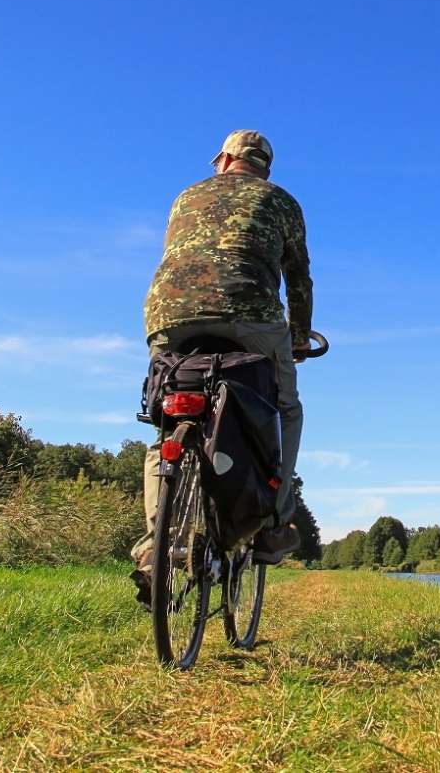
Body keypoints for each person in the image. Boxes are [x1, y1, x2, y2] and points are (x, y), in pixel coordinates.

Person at [131, 129, 312, 597]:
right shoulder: (282, 202)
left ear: (224, 158)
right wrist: (296, 339)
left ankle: (156, 545)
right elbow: (298, 281)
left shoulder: (184, 197)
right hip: (251, 317)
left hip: (169, 315)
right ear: (264, 167)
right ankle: (273, 520)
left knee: (168, 422)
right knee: (285, 409)